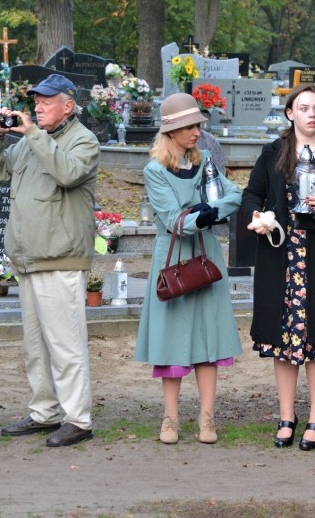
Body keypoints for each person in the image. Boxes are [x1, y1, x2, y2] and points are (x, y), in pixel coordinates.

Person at [0, 74, 98, 448]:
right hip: (29, 258)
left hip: (60, 258)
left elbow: (67, 173)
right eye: (36, 101)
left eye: (47, 101)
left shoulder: (83, 140)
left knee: (66, 345)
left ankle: (78, 418)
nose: (38, 107)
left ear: (69, 105)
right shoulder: (31, 143)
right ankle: (44, 412)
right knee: (35, 347)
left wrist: (33, 133)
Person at [242, 84, 315, 451]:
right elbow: (251, 195)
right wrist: (257, 216)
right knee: (283, 341)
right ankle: (286, 415)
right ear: (290, 113)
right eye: (304, 108)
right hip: (282, 258)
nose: (312, 115)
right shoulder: (273, 153)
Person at [135, 93, 242, 445]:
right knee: (173, 341)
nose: (197, 132)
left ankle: (207, 419)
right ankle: (170, 418)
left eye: (197, 125)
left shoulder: (207, 160)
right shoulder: (155, 170)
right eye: (190, 126)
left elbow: (234, 196)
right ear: (172, 131)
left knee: (207, 339)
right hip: (173, 260)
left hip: (206, 257)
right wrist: (207, 212)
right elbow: (172, 220)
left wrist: (204, 211)